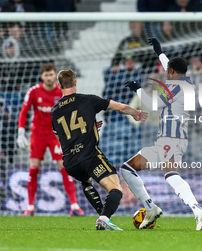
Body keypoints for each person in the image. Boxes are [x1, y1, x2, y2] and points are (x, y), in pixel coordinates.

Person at [122, 37, 202, 230]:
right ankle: (154, 208)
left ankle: (196, 209)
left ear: (171, 72)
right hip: (175, 138)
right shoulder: (187, 82)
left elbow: (154, 105)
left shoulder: (175, 86)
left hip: (171, 138)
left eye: (167, 71)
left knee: (167, 175)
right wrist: (160, 52)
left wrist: (138, 89)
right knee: (129, 169)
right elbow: (169, 67)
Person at [51, 69, 147, 230]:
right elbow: (120, 107)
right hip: (89, 156)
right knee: (115, 188)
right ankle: (104, 218)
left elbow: (62, 136)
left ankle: (103, 218)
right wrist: (134, 113)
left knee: (85, 181)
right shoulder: (87, 100)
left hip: (70, 162)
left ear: (59, 85)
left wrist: (89, 126)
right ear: (75, 82)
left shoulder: (54, 111)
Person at [17, 63, 83, 217]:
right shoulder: (33, 91)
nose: (48, 77)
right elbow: (23, 112)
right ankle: (30, 207)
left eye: (51, 74)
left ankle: (74, 205)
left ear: (55, 76)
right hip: (38, 134)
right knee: (33, 169)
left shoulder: (61, 92)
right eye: (46, 75)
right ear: (42, 76)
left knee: (65, 168)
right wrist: (21, 133)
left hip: (56, 135)